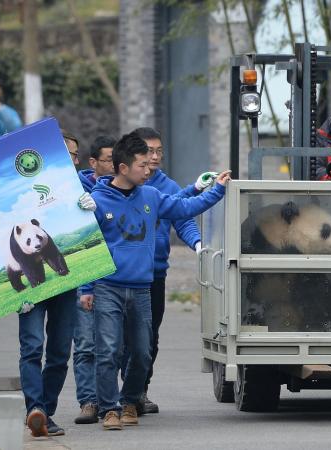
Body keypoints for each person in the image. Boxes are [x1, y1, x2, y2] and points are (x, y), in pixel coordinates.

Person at [79, 133, 230, 430]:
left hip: (142, 288)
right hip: (107, 287)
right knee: (107, 350)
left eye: (149, 164)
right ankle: (109, 408)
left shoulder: (152, 196)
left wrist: (218, 190)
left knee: (142, 350)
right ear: (123, 168)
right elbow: (87, 248)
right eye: (142, 166)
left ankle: (131, 399)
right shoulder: (96, 202)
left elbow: (185, 208)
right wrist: (86, 289)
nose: (149, 171)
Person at [129, 126, 217, 414]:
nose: (154, 157)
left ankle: (139, 392)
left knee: (149, 337)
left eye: (158, 151)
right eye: (148, 151)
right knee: (115, 340)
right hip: (119, 274)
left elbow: (183, 216)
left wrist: (198, 243)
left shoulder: (167, 187)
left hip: (154, 273)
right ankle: (111, 396)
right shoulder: (119, 183)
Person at [21, 134, 96, 438]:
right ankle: (34, 409)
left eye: (75, 155)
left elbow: (106, 213)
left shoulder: (83, 186)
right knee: (31, 346)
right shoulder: (25, 186)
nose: (73, 161)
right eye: (67, 154)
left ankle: (45, 412)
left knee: (59, 351)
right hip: (29, 284)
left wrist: (92, 207)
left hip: (67, 280)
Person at [72, 135, 117, 425]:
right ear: (93, 162)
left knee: (115, 346)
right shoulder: (73, 189)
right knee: (86, 343)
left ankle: (117, 401)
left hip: (116, 278)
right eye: (108, 160)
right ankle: (88, 401)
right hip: (85, 275)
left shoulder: (127, 190)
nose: (114, 166)